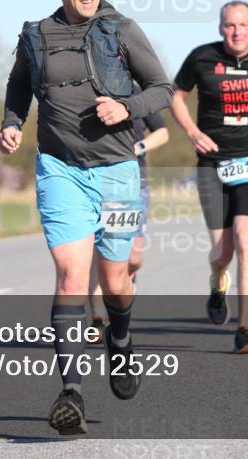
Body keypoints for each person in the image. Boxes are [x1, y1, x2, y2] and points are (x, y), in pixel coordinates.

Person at [0, 0, 172, 435]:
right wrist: (12, 122)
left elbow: (162, 88)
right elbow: (18, 85)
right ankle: (71, 391)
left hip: (118, 172)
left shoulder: (121, 30)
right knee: (72, 276)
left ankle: (120, 340)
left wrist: (127, 107)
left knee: (116, 281)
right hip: (60, 168)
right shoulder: (34, 37)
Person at [170, 0, 248, 353]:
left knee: (244, 239)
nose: (236, 31)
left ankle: (244, 329)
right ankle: (216, 281)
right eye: (229, 25)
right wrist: (193, 132)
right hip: (212, 164)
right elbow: (175, 96)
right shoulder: (201, 58)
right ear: (220, 28)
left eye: (242, 25)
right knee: (223, 250)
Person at [87, 85, 169, 341]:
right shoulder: (87, 90)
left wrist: (139, 148)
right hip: (95, 180)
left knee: (133, 258)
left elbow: (162, 132)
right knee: (99, 250)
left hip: (131, 183)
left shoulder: (136, 91)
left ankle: (126, 277)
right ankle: (99, 320)